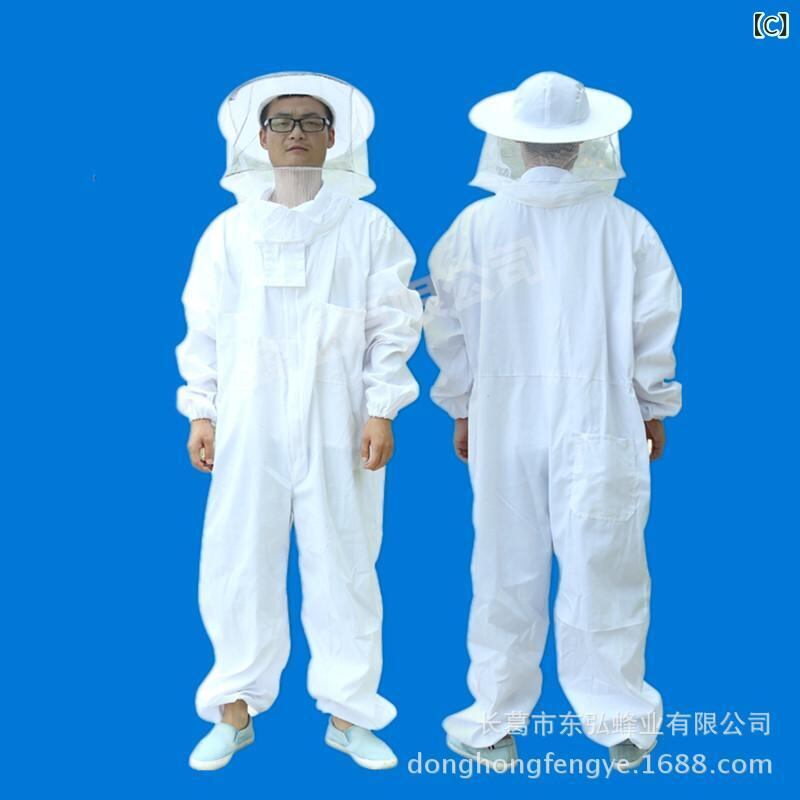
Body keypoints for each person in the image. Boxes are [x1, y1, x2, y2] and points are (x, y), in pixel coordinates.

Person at [423, 71, 682, 772]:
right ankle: (622, 723)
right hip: (601, 412)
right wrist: (652, 403)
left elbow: (444, 323)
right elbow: (654, 325)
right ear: (587, 143)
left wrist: (462, 405)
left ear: (511, 142)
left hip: (502, 416)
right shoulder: (625, 227)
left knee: (504, 567)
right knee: (606, 564)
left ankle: (492, 722)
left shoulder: (475, 227)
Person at [175, 71, 423, 771]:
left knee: (345, 562)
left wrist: (382, 407)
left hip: (339, 420)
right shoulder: (228, 233)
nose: (295, 134)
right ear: (258, 138)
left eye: (311, 122)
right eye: (281, 122)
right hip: (247, 420)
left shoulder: (368, 229)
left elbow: (394, 324)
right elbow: (204, 329)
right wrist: (202, 409)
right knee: (237, 560)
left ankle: (350, 716)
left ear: (333, 137)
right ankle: (233, 710)